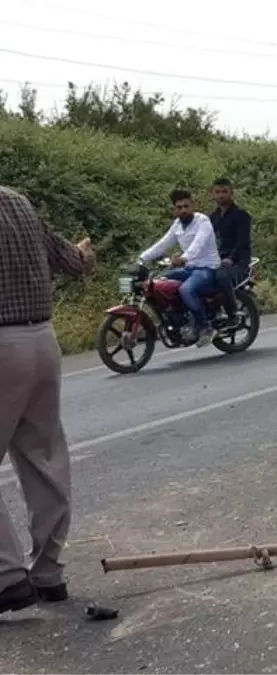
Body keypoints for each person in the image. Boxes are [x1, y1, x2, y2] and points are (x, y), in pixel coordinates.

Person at [0, 186, 96, 613]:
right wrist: (84, 251)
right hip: (42, 340)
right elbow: (75, 262)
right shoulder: (18, 200)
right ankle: (48, 571)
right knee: (44, 456)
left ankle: (6, 577)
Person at [139, 189, 222, 346]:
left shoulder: (202, 221)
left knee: (186, 289)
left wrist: (184, 258)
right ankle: (180, 319)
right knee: (159, 283)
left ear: (193, 205)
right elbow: (162, 244)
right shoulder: (177, 225)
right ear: (174, 209)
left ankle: (205, 327)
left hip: (207, 268)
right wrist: (141, 258)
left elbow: (198, 244)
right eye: (179, 207)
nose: (183, 210)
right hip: (189, 269)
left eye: (186, 206)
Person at [209, 177, 252, 325]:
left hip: (238, 261)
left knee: (221, 277)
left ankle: (233, 313)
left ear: (231, 193)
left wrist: (231, 258)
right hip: (217, 259)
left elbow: (243, 242)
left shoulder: (241, 215)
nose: (221, 195)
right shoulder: (212, 218)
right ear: (213, 194)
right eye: (218, 192)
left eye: (224, 192)